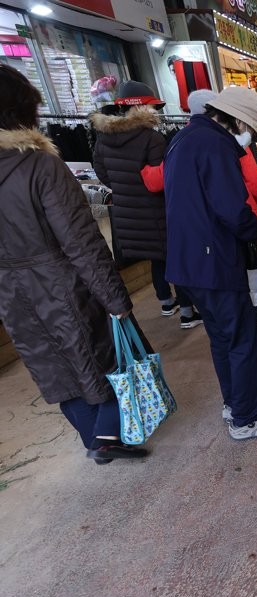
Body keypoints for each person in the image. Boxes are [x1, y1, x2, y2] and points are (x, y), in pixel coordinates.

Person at [0, 64, 146, 464]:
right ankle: (107, 435)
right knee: (104, 356)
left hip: (10, 291)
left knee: (53, 363)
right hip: (61, 281)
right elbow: (80, 240)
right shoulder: (39, 165)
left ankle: (94, 437)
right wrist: (116, 299)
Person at [163, 86, 257, 440]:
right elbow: (233, 207)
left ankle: (234, 403)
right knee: (243, 337)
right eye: (250, 129)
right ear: (236, 120)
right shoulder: (215, 145)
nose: (249, 139)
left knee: (221, 337)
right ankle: (246, 419)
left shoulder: (185, 138)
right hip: (213, 260)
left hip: (186, 262)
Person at [91, 81, 201, 329]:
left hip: (127, 211)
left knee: (156, 258)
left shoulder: (104, 138)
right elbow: (162, 178)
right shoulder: (152, 138)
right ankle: (187, 313)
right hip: (157, 209)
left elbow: (102, 172)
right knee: (176, 257)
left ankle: (165, 301)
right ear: (143, 109)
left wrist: (125, 189)